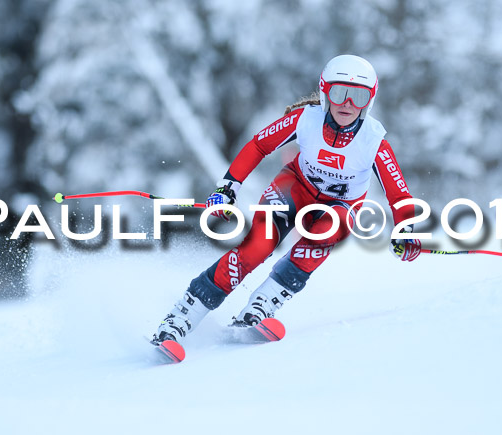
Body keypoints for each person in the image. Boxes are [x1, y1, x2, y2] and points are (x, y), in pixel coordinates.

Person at [152, 54, 421, 344]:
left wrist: (405, 231)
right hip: (295, 188)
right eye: (340, 92)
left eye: (359, 96)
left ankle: (261, 305)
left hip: (339, 207)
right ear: (324, 91)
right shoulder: (306, 119)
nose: (348, 104)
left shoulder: (373, 141)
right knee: (256, 248)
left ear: (370, 100)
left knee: (328, 230)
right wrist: (227, 187)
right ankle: (181, 316)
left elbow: (399, 195)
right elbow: (259, 145)